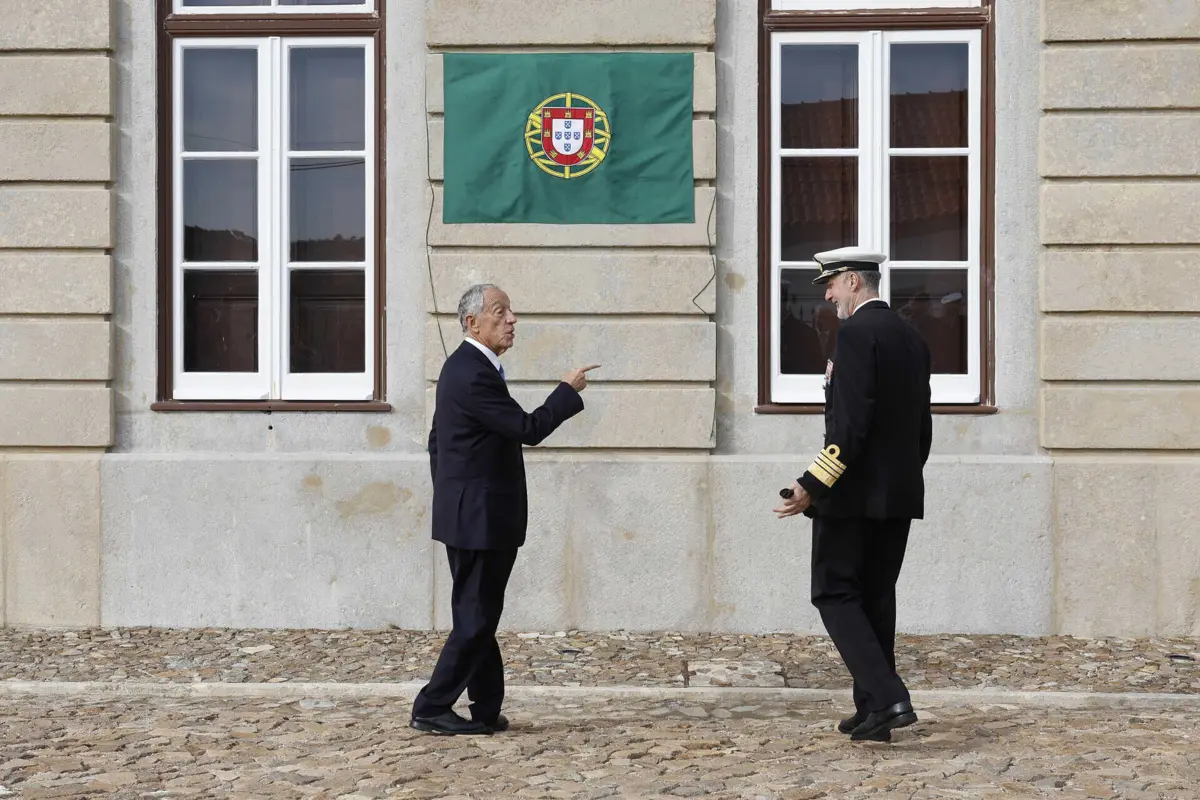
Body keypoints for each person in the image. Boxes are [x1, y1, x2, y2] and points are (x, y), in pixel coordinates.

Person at [411, 283, 598, 736]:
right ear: (473, 322)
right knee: (475, 618)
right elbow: (527, 428)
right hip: (480, 521)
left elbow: (438, 442)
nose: (512, 319)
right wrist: (566, 391)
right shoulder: (472, 373)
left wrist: (455, 498)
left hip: (469, 516)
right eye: (501, 311)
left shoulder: (465, 368)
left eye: (511, 311)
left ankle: (486, 707)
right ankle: (432, 706)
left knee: (479, 615)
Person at [773, 246, 932, 743]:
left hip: (853, 494)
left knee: (835, 593)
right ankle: (872, 710)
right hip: (899, 492)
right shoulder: (910, 335)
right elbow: (921, 426)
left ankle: (888, 697)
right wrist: (904, 475)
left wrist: (813, 484)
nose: (827, 294)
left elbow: (850, 425)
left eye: (832, 284)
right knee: (876, 598)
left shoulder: (857, 334)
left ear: (855, 283)